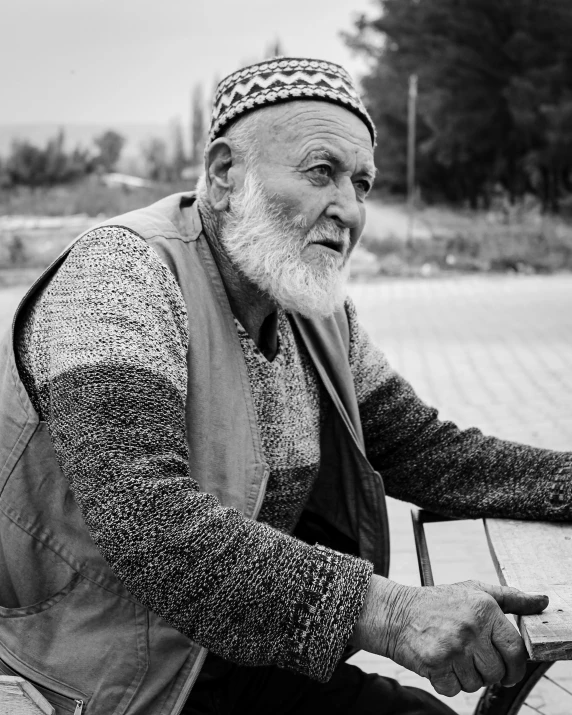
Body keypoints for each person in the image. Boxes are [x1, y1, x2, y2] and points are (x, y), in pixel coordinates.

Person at [0, 57, 568, 715]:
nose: (349, 210)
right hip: (99, 682)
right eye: (321, 172)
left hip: (237, 658)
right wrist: (387, 610)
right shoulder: (122, 275)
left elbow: (425, 449)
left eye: (362, 184)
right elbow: (146, 520)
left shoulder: (310, 306)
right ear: (222, 174)